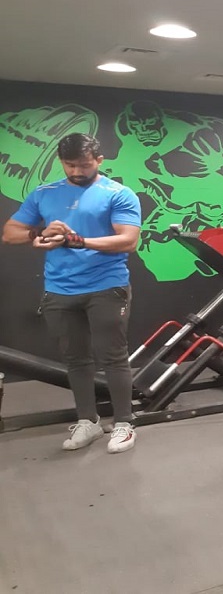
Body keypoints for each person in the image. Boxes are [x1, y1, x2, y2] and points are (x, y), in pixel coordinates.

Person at [2, 133, 141, 453]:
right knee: (75, 359)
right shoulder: (44, 193)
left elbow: (128, 240)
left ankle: (124, 423)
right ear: (61, 162)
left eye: (84, 165)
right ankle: (88, 422)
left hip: (107, 286)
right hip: (59, 289)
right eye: (70, 165)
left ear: (99, 161)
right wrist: (40, 232)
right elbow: (10, 233)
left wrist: (79, 241)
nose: (77, 171)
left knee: (113, 357)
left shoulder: (118, 194)